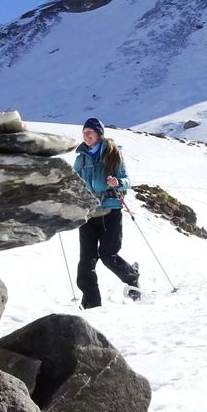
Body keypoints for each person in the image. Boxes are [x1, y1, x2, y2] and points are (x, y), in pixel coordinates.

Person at [72, 117, 140, 308]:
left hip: (110, 212)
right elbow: (73, 181)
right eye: (84, 133)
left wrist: (118, 182)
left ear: (99, 134)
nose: (86, 136)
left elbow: (126, 180)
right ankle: (92, 303)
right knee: (86, 262)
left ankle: (132, 278)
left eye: (90, 132)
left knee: (108, 256)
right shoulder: (80, 158)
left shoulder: (113, 154)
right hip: (88, 214)